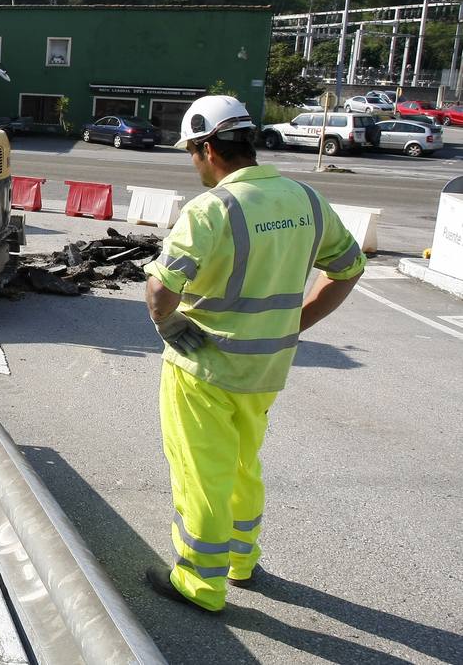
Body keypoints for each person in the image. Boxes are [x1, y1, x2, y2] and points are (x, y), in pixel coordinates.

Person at [141, 95, 364, 614]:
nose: (193, 162)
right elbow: (348, 269)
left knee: (202, 474)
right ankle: (241, 561)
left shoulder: (212, 208)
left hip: (204, 370)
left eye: (192, 152)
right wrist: (297, 321)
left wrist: (167, 323)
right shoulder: (305, 199)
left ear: (209, 148)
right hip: (267, 370)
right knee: (243, 466)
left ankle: (199, 582)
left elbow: (159, 289)